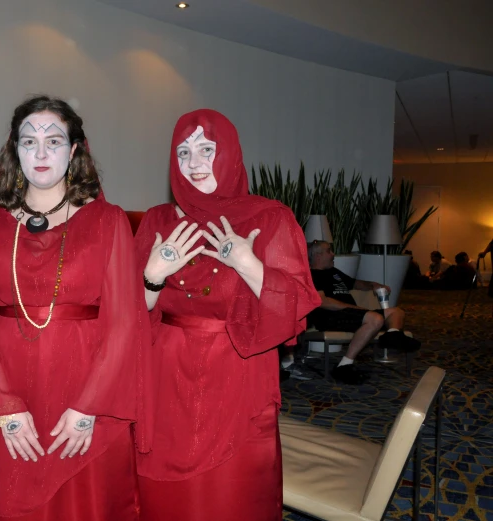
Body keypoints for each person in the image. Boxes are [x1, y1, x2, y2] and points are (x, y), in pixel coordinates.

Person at [134, 109, 320, 521]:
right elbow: (127, 317)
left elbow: (296, 306)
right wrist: (151, 277)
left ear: (230, 155)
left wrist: (246, 262)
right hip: (165, 379)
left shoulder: (269, 218)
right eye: (183, 152)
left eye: (206, 149)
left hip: (236, 375)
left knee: (228, 497)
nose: (194, 163)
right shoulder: (158, 221)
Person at [0, 96, 143, 520]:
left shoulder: (108, 220)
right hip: (6, 389)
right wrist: (4, 408)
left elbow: (124, 324)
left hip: (86, 393)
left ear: (75, 150)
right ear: (14, 149)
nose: (41, 153)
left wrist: (88, 407)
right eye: (29, 142)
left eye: (54, 140)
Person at [307, 240, 420, 384]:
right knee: (376, 319)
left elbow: (355, 284)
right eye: (329, 251)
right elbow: (323, 302)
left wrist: (372, 284)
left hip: (352, 314)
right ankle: (344, 365)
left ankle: (392, 335)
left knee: (396, 312)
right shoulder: (312, 275)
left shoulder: (333, 272)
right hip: (331, 317)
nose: (333, 254)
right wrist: (354, 308)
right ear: (318, 256)